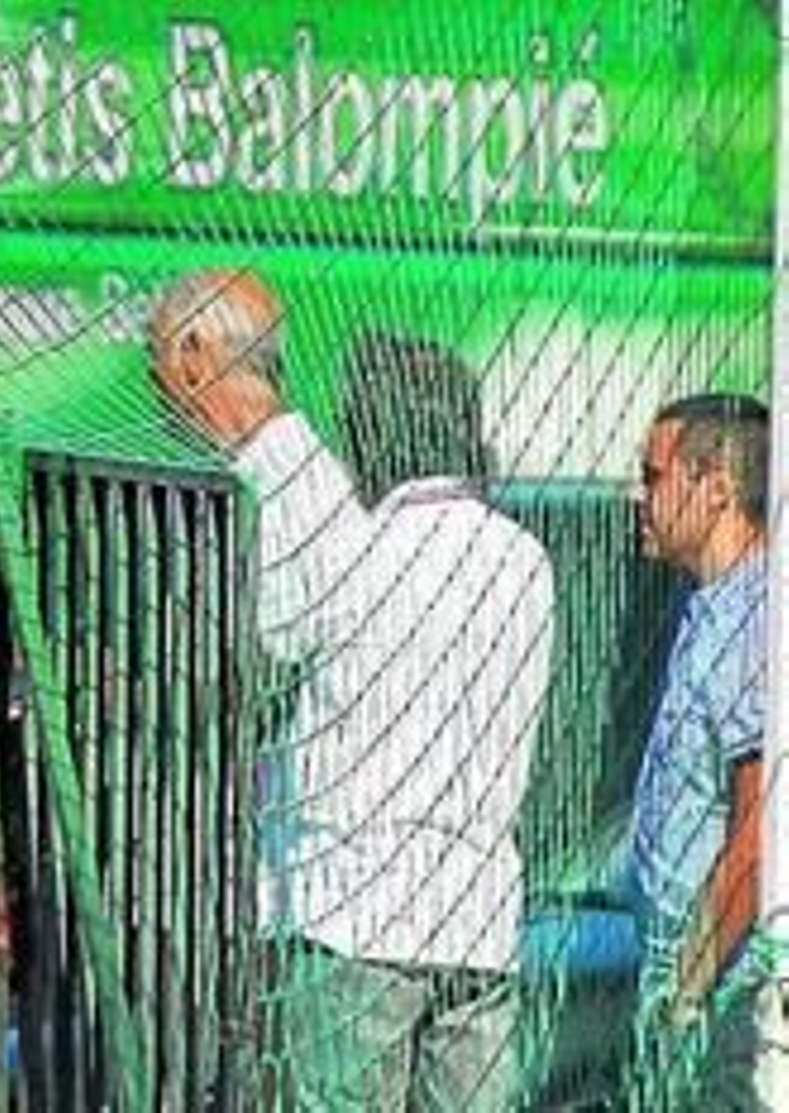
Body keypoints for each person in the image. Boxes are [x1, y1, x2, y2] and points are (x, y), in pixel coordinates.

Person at [149, 271, 555, 1109]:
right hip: (480, 923)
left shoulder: (357, 540)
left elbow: (272, 643)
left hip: (354, 917)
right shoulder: (525, 560)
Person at [628, 393, 785, 1108]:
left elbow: (760, 831)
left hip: (720, 970)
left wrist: (690, 983)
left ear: (717, 486)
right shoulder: (714, 605)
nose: (639, 496)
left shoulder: (751, 618)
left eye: (653, 474)